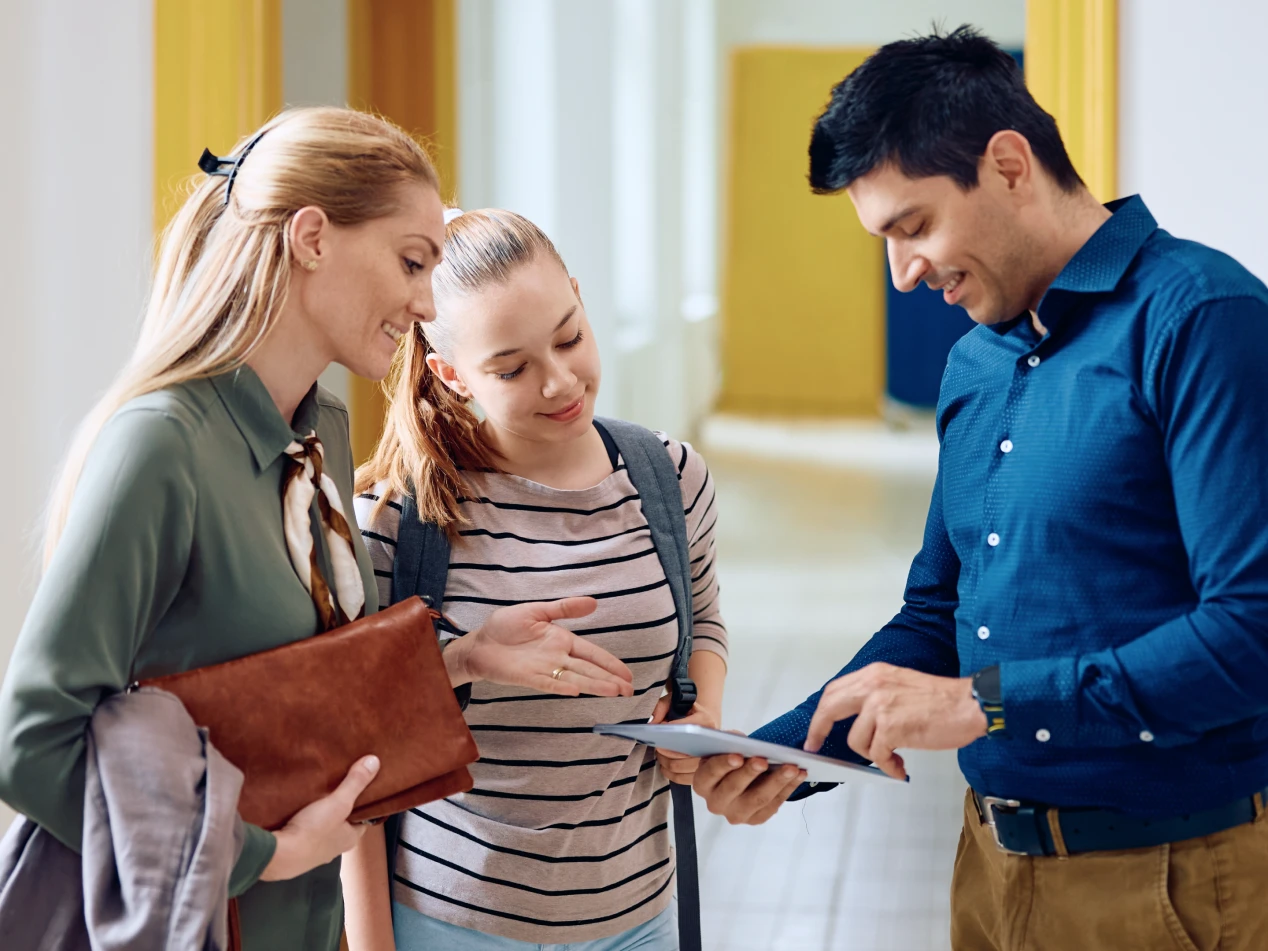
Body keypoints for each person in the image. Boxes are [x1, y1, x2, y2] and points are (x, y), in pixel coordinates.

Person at [0, 108, 634, 951]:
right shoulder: (161, 446)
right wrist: (258, 855)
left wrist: (462, 658)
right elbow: (31, 744)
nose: (423, 301)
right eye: (412, 262)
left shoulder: (321, 429)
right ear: (311, 237)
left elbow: (301, 688)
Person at [691, 26, 1268, 951]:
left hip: (1170, 883)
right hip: (991, 873)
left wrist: (987, 702)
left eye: (913, 226)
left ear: (1007, 164)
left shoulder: (1202, 319)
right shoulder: (973, 364)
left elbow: (1252, 630)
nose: (903, 272)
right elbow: (937, 614)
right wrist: (788, 750)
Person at [341, 208, 729, 951]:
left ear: (581, 299)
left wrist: (700, 712)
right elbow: (357, 750)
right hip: (454, 922)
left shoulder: (670, 478)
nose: (560, 382)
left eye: (570, 336)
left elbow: (702, 616)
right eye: (512, 368)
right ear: (449, 374)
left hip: (638, 916)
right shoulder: (397, 519)